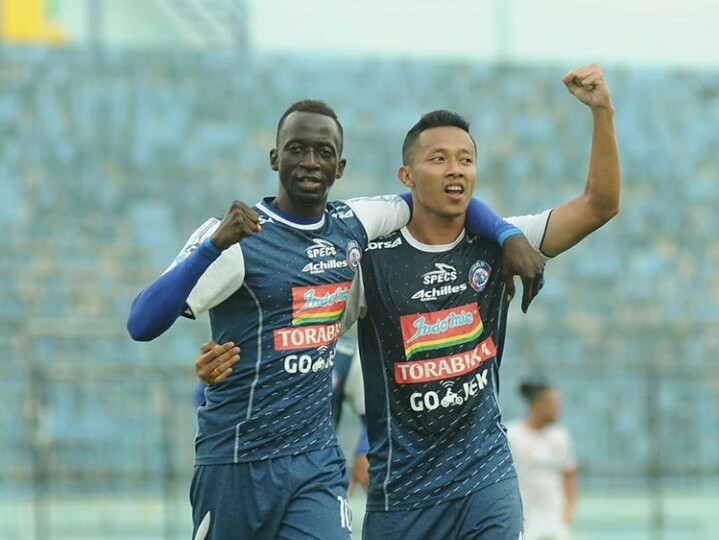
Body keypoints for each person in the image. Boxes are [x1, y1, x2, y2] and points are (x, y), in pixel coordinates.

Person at [126, 99, 545, 540]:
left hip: (316, 464)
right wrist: (211, 247)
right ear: (275, 158)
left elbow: (439, 198)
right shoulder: (238, 236)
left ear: (339, 166)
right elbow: (142, 322)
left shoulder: (354, 224)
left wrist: (506, 233)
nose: (310, 162)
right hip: (236, 460)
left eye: (323, 152)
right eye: (296, 149)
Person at [337, 63, 619, 539]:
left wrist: (602, 112)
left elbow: (599, 205)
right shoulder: (371, 262)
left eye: (466, 159)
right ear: (406, 174)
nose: (455, 169)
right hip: (402, 493)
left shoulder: (502, 245)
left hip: (485, 479)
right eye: (439, 158)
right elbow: (308, 330)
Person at [194, 335, 370, 494]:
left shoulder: (345, 352)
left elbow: (372, 410)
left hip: (314, 469)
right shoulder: (246, 338)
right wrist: (211, 379)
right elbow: (204, 400)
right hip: (245, 467)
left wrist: (365, 449)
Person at [507, 382, 578, 540]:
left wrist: (569, 510)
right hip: (524, 517)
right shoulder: (512, 435)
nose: (558, 409)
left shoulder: (560, 436)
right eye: (554, 404)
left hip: (554, 517)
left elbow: (569, 474)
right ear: (538, 405)